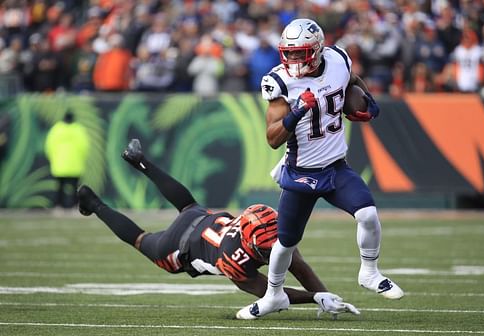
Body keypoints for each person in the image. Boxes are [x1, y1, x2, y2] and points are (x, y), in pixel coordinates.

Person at [77, 139, 360, 319]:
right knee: (141, 240)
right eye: (267, 248)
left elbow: (299, 267)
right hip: (179, 248)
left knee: (187, 205)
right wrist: (314, 297)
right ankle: (94, 203)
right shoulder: (234, 261)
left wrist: (324, 297)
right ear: (251, 246)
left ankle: (141, 161)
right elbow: (272, 296)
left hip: (201, 220)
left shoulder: (264, 232)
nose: (276, 248)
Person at [236, 18, 404, 320]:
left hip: (336, 167)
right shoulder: (281, 81)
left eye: (300, 53)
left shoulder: (338, 58)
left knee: (367, 214)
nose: (294, 59)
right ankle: (274, 295)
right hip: (301, 172)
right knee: (285, 242)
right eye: (290, 53)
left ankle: (369, 272)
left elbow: (351, 81)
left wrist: (367, 101)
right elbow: (273, 139)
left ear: (317, 49)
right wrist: (298, 112)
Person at [45, 111, 89, 209]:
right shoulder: (79, 129)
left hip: (59, 165)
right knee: (75, 188)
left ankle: (58, 206)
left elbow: (49, 147)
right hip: (76, 165)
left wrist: (53, 159)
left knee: (59, 187)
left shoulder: (56, 129)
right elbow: (85, 147)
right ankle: (74, 206)